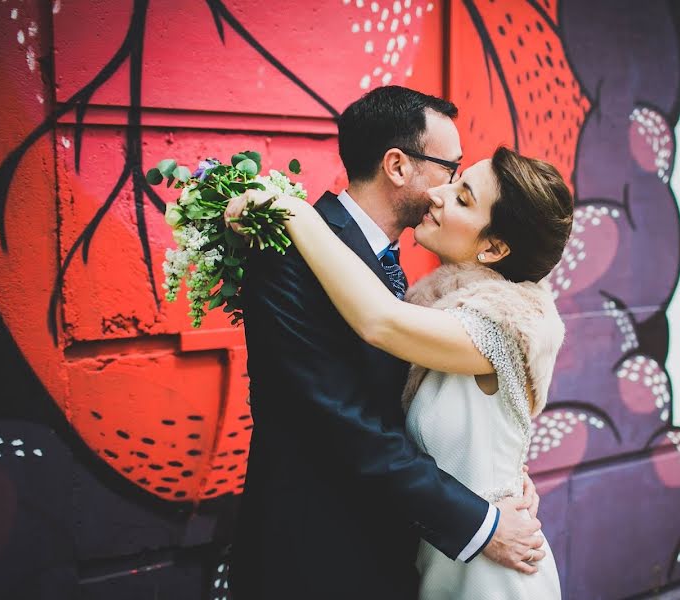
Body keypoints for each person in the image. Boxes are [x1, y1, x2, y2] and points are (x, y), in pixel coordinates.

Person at [228, 86, 547, 600]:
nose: (448, 189)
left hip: (400, 554)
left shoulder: (450, 300)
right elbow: (343, 421)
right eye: (451, 168)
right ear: (398, 166)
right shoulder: (291, 256)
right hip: (316, 559)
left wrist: (505, 474)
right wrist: (482, 522)